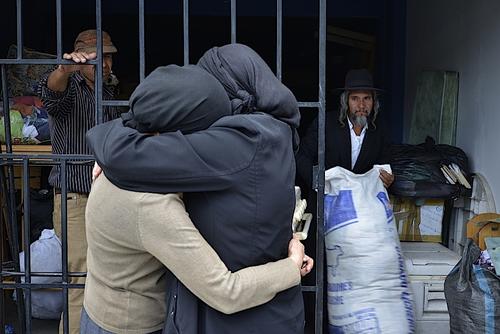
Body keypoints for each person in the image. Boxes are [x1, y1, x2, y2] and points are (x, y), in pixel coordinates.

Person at [86, 43, 305, 334]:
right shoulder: (275, 130)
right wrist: (292, 265)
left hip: (237, 316)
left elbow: (121, 153)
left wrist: (117, 138)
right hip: (131, 322)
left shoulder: (239, 140)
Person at [37, 29, 122, 333]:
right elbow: (51, 93)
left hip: (103, 195)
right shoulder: (70, 87)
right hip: (75, 197)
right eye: (99, 57)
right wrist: (64, 69)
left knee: (101, 278)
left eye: (109, 56)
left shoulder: (107, 90)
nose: (106, 63)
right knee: (78, 281)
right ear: (82, 59)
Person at [296, 68, 394, 197]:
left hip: (361, 205)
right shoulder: (326, 123)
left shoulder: (380, 129)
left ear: (374, 102)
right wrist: (318, 182)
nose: (361, 105)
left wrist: (388, 178)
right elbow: (302, 155)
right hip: (326, 201)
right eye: (355, 99)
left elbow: (384, 164)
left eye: (366, 98)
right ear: (345, 101)